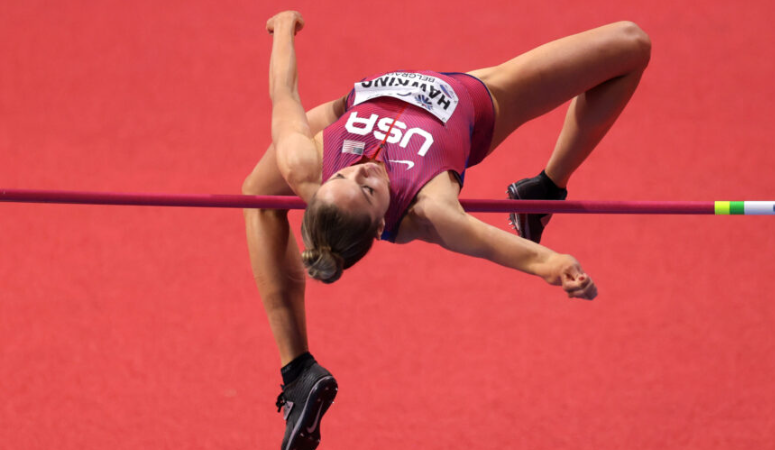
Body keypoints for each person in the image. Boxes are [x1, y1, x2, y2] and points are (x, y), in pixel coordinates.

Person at [243, 10, 650, 450]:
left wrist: (282, 29)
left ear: (323, 184)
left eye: (343, 178)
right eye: (367, 190)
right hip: (472, 98)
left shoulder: (307, 165)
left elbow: (284, 94)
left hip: (354, 105)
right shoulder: (430, 207)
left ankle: (298, 372)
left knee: (257, 196)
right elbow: (500, 248)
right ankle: (548, 190)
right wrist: (556, 265)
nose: (363, 171)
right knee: (630, 44)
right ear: (382, 223)